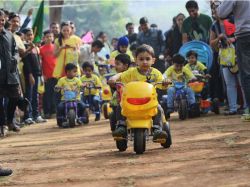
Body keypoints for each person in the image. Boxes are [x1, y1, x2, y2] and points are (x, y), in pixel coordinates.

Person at [108, 44, 171, 141]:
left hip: (149, 102)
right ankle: (121, 126)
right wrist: (113, 78)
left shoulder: (156, 73)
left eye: (147, 59)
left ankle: (157, 129)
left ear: (153, 60)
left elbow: (162, 84)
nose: (144, 62)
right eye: (141, 59)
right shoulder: (132, 72)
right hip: (132, 102)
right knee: (120, 106)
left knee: (159, 109)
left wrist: (165, 82)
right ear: (136, 61)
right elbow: (120, 75)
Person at [216, 0, 249, 119]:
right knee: (236, 80)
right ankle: (238, 107)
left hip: (244, 37)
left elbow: (222, 12)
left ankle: (248, 109)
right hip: (232, 50)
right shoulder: (214, 26)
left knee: (245, 75)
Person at [0, 10, 21, 137]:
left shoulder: (9, 35)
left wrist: (14, 58)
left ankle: (10, 121)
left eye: (2, 20)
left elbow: (15, 50)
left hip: (11, 73)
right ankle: (2, 125)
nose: (1, 22)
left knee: (14, 96)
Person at [21, 28, 47, 124]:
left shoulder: (35, 48)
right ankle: (28, 116)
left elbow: (38, 62)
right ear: (23, 37)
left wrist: (40, 75)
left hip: (37, 74)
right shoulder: (26, 47)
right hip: (29, 75)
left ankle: (36, 115)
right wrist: (30, 75)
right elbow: (27, 63)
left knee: (35, 95)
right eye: (27, 35)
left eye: (31, 34)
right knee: (29, 95)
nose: (30, 37)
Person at [40, 30, 58, 119]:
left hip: (56, 74)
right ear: (44, 38)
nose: (49, 38)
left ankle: (57, 110)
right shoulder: (41, 49)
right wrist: (42, 74)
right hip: (47, 75)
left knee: (58, 93)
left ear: (53, 37)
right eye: (47, 37)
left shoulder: (56, 47)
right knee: (48, 94)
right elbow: (39, 62)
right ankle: (47, 112)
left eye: (50, 36)